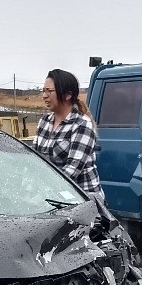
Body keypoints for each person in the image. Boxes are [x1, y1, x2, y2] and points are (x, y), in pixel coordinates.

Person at [35, 68, 103, 197]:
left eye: (49, 91)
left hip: (84, 200)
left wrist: (43, 192)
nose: (44, 96)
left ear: (68, 95)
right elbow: (35, 162)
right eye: (43, 91)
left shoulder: (82, 124)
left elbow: (71, 171)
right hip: (52, 195)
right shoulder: (44, 122)